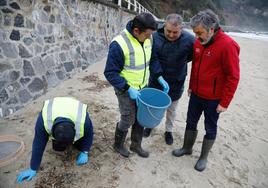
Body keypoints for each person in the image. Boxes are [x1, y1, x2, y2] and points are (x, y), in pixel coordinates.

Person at [172, 9, 240, 172]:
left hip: (214, 99)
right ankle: (187, 148)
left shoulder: (228, 45)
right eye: (195, 33)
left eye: (199, 33)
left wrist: (224, 103)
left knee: (210, 127)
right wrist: (191, 86)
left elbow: (233, 77)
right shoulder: (198, 42)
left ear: (211, 29)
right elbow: (195, 66)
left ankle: (203, 157)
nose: (196, 37)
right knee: (190, 122)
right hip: (196, 94)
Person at [104, 13, 169, 158]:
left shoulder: (148, 38)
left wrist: (159, 76)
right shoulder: (119, 44)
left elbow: (152, 59)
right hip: (125, 89)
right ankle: (118, 144)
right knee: (128, 119)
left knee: (141, 117)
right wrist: (127, 88)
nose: (149, 37)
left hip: (142, 86)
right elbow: (110, 72)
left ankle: (136, 145)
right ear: (136, 31)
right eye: (147, 34)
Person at [143, 14, 195, 145]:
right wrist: (159, 75)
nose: (171, 35)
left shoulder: (190, 40)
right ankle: (150, 126)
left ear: (181, 28)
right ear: (164, 26)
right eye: (168, 31)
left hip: (176, 81)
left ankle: (168, 131)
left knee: (172, 109)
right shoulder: (154, 37)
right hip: (156, 80)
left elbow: (190, 57)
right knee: (153, 106)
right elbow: (152, 58)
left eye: (175, 32)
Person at [17, 97, 94, 183]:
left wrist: (85, 151)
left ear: (75, 130)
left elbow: (89, 133)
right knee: (58, 148)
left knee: (80, 145)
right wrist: (33, 168)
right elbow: (38, 144)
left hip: (73, 105)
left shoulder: (83, 121)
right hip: (56, 106)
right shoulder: (43, 121)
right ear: (52, 131)